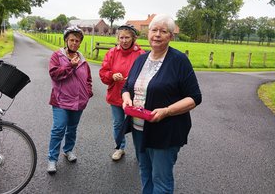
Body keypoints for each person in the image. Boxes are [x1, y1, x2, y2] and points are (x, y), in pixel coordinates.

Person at [121, 14, 202, 193]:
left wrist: (167, 111)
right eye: (154, 30)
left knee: (161, 179)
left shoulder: (179, 61)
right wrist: (126, 98)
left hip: (165, 130)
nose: (157, 34)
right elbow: (127, 85)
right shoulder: (141, 59)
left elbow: (194, 97)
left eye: (163, 31)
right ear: (148, 33)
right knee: (145, 171)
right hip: (139, 128)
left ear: (171, 36)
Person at [47, 26, 93, 174]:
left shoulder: (82, 59)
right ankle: (52, 159)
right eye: (71, 40)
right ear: (66, 40)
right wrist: (69, 65)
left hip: (79, 101)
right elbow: (54, 74)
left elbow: (88, 78)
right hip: (61, 100)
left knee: (72, 129)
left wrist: (88, 92)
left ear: (80, 43)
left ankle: (68, 150)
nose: (74, 43)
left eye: (77, 41)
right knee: (59, 128)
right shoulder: (57, 56)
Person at [99, 24, 145, 161]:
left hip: (136, 97)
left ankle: (140, 151)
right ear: (117, 38)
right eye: (121, 37)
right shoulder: (112, 53)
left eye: (127, 37)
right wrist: (112, 76)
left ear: (134, 38)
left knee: (138, 125)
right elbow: (103, 72)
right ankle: (120, 148)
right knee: (118, 124)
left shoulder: (141, 54)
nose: (124, 40)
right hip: (116, 95)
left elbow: (147, 76)